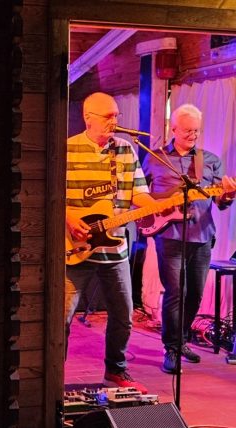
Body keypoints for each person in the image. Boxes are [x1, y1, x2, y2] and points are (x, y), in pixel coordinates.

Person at [65, 92, 160, 394]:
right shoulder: (68, 149)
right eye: (108, 116)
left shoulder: (126, 150)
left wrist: (159, 208)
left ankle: (115, 372)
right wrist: (69, 218)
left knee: (123, 314)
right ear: (88, 118)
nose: (115, 121)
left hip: (115, 249)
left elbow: (139, 193)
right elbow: (51, 195)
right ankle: (52, 379)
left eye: (117, 115)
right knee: (61, 317)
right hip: (74, 248)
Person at [142, 104, 236, 374]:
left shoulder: (210, 160)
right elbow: (138, 193)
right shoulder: (155, 158)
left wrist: (228, 195)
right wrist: (150, 213)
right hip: (169, 236)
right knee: (176, 292)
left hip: (202, 235)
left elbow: (220, 202)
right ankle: (171, 348)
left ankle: (182, 340)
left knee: (194, 294)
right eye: (187, 131)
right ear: (173, 129)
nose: (193, 135)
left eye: (196, 131)